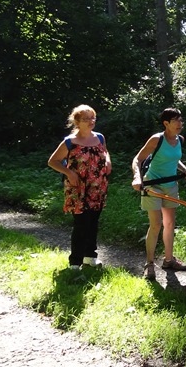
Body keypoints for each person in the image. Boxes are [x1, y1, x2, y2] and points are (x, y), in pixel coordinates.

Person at [131, 108, 186, 280]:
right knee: (156, 225)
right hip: (153, 186)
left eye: (180, 120)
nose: (179, 124)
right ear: (166, 123)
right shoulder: (157, 139)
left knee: (169, 224)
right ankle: (149, 264)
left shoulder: (179, 139)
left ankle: (169, 260)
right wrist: (137, 178)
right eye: (175, 120)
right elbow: (137, 159)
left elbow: (174, 159)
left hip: (171, 185)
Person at [48, 105, 112, 270]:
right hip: (78, 188)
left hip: (98, 186)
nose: (91, 122)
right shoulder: (70, 142)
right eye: (86, 119)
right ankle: (75, 262)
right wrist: (69, 173)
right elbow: (53, 161)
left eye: (93, 118)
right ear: (77, 122)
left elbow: (105, 152)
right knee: (81, 223)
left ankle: (90, 256)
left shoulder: (100, 137)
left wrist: (108, 162)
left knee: (93, 222)